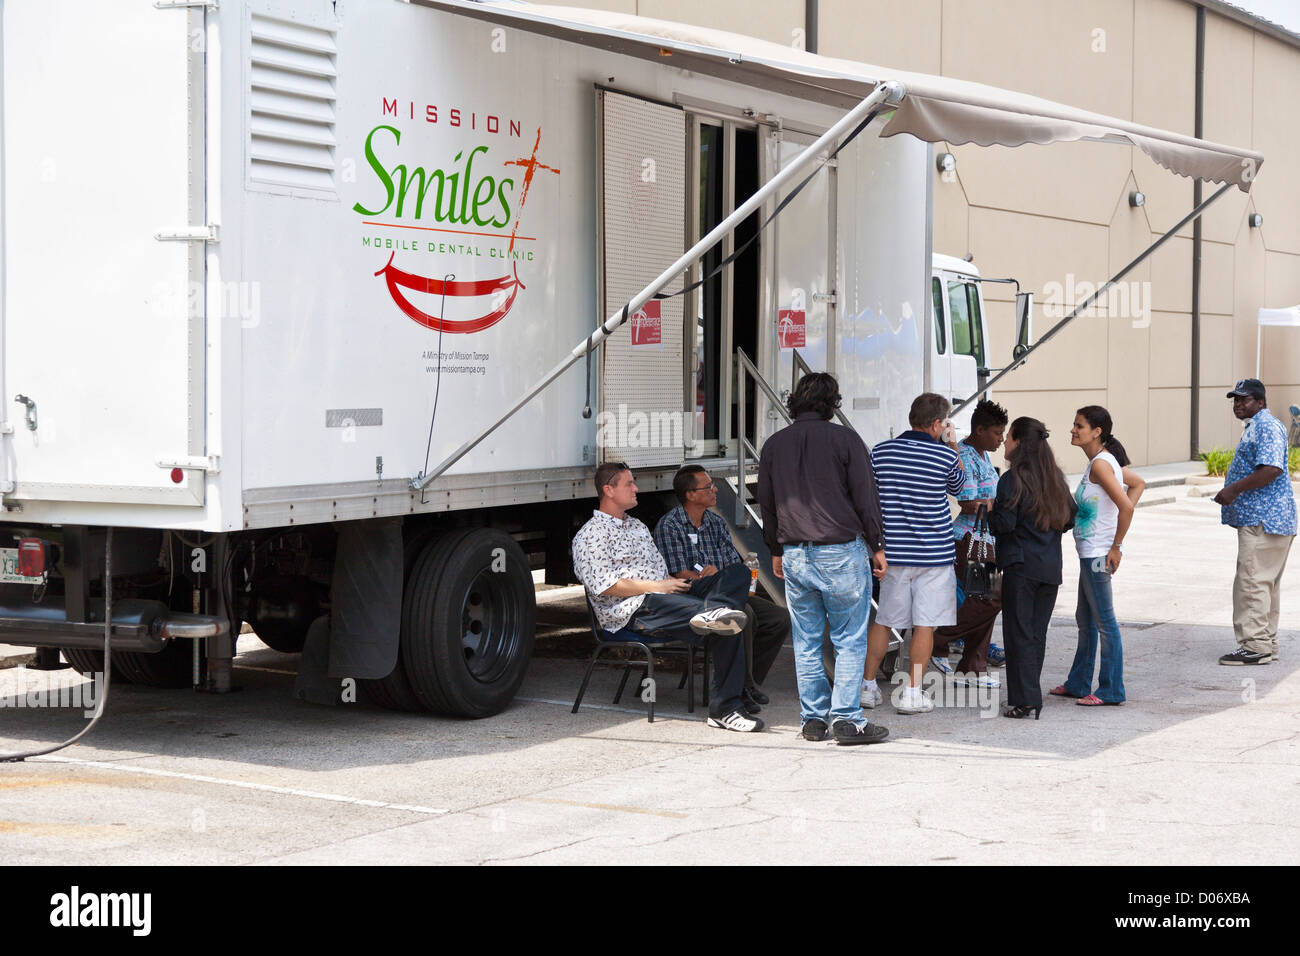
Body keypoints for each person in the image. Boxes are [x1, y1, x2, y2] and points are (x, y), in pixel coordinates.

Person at [571, 462, 761, 732]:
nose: (636, 488)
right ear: (608, 490)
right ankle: (726, 708)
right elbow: (604, 586)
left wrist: (675, 583)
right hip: (635, 609)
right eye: (629, 484)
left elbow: (661, 572)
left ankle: (710, 612)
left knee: (738, 574)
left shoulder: (636, 526)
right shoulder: (590, 535)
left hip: (669, 594)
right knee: (729, 620)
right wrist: (657, 586)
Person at [756, 372, 889, 745]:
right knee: (848, 639)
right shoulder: (845, 439)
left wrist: (776, 549)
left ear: (795, 401)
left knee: (807, 639)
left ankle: (812, 721)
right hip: (840, 551)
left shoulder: (774, 444)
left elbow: (768, 503)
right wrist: (877, 544)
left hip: (795, 553)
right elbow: (866, 496)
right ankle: (847, 720)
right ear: (833, 403)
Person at [653, 465, 790, 714]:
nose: (714, 489)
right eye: (708, 487)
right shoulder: (670, 525)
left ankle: (748, 682)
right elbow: (677, 572)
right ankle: (739, 688)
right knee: (744, 616)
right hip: (693, 594)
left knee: (779, 618)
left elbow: (732, 565)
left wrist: (717, 573)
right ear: (691, 494)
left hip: (723, 588)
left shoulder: (715, 522)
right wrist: (707, 576)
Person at [862, 393, 965, 716]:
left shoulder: (881, 452)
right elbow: (959, 487)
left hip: (891, 552)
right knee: (925, 625)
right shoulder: (944, 457)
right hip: (933, 555)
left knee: (884, 621)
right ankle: (912, 693)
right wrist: (953, 445)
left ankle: (866, 688)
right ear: (937, 424)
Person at [988, 417, 1076, 719]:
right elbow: (1069, 518)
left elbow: (1004, 524)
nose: (1005, 442)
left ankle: (1025, 700)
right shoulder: (1055, 479)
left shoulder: (1012, 480)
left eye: (1009, 437)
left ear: (1019, 443)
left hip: (1021, 565)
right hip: (1050, 567)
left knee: (1018, 634)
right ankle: (1029, 696)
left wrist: (990, 510)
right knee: (1036, 634)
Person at [1049, 406, 1133, 706]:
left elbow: (1127, 505)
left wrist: (1116, 545)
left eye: (1079, 426)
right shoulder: (1102, 462)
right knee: (1085, 620)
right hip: (1090, 552)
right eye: (1074, 424)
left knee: (1104, 623)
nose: (1073, 430)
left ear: (1097, 431)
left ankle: (1111, 689)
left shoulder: (1101, 464)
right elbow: (1137, 484)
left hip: (1098, 555)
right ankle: (1078, 682)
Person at [1213, 379, 1297, 665]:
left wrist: (1233, 489)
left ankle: (1255, 646)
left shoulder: (1266, 426)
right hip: (1268, 519)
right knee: (1264, 584)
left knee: (1251, 582)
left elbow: (1271, 469)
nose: (1238, 404)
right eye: (1235, 400)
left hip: (1264, 519)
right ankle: (1265, 642)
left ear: (1260, 402)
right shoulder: (1258, 425)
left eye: (1244, 399)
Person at [931, 399, 1007, 687]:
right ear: (979, 429)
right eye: (997, 433)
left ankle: (973, 666)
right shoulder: (962, 454)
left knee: (984, 603)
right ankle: (939, 640)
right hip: (970, 538)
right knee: (986, 601)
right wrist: (1000, 503)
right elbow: (969, 503)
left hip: (987, 538)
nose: (1001, 439)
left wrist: (994, 503)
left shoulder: (983, 454)